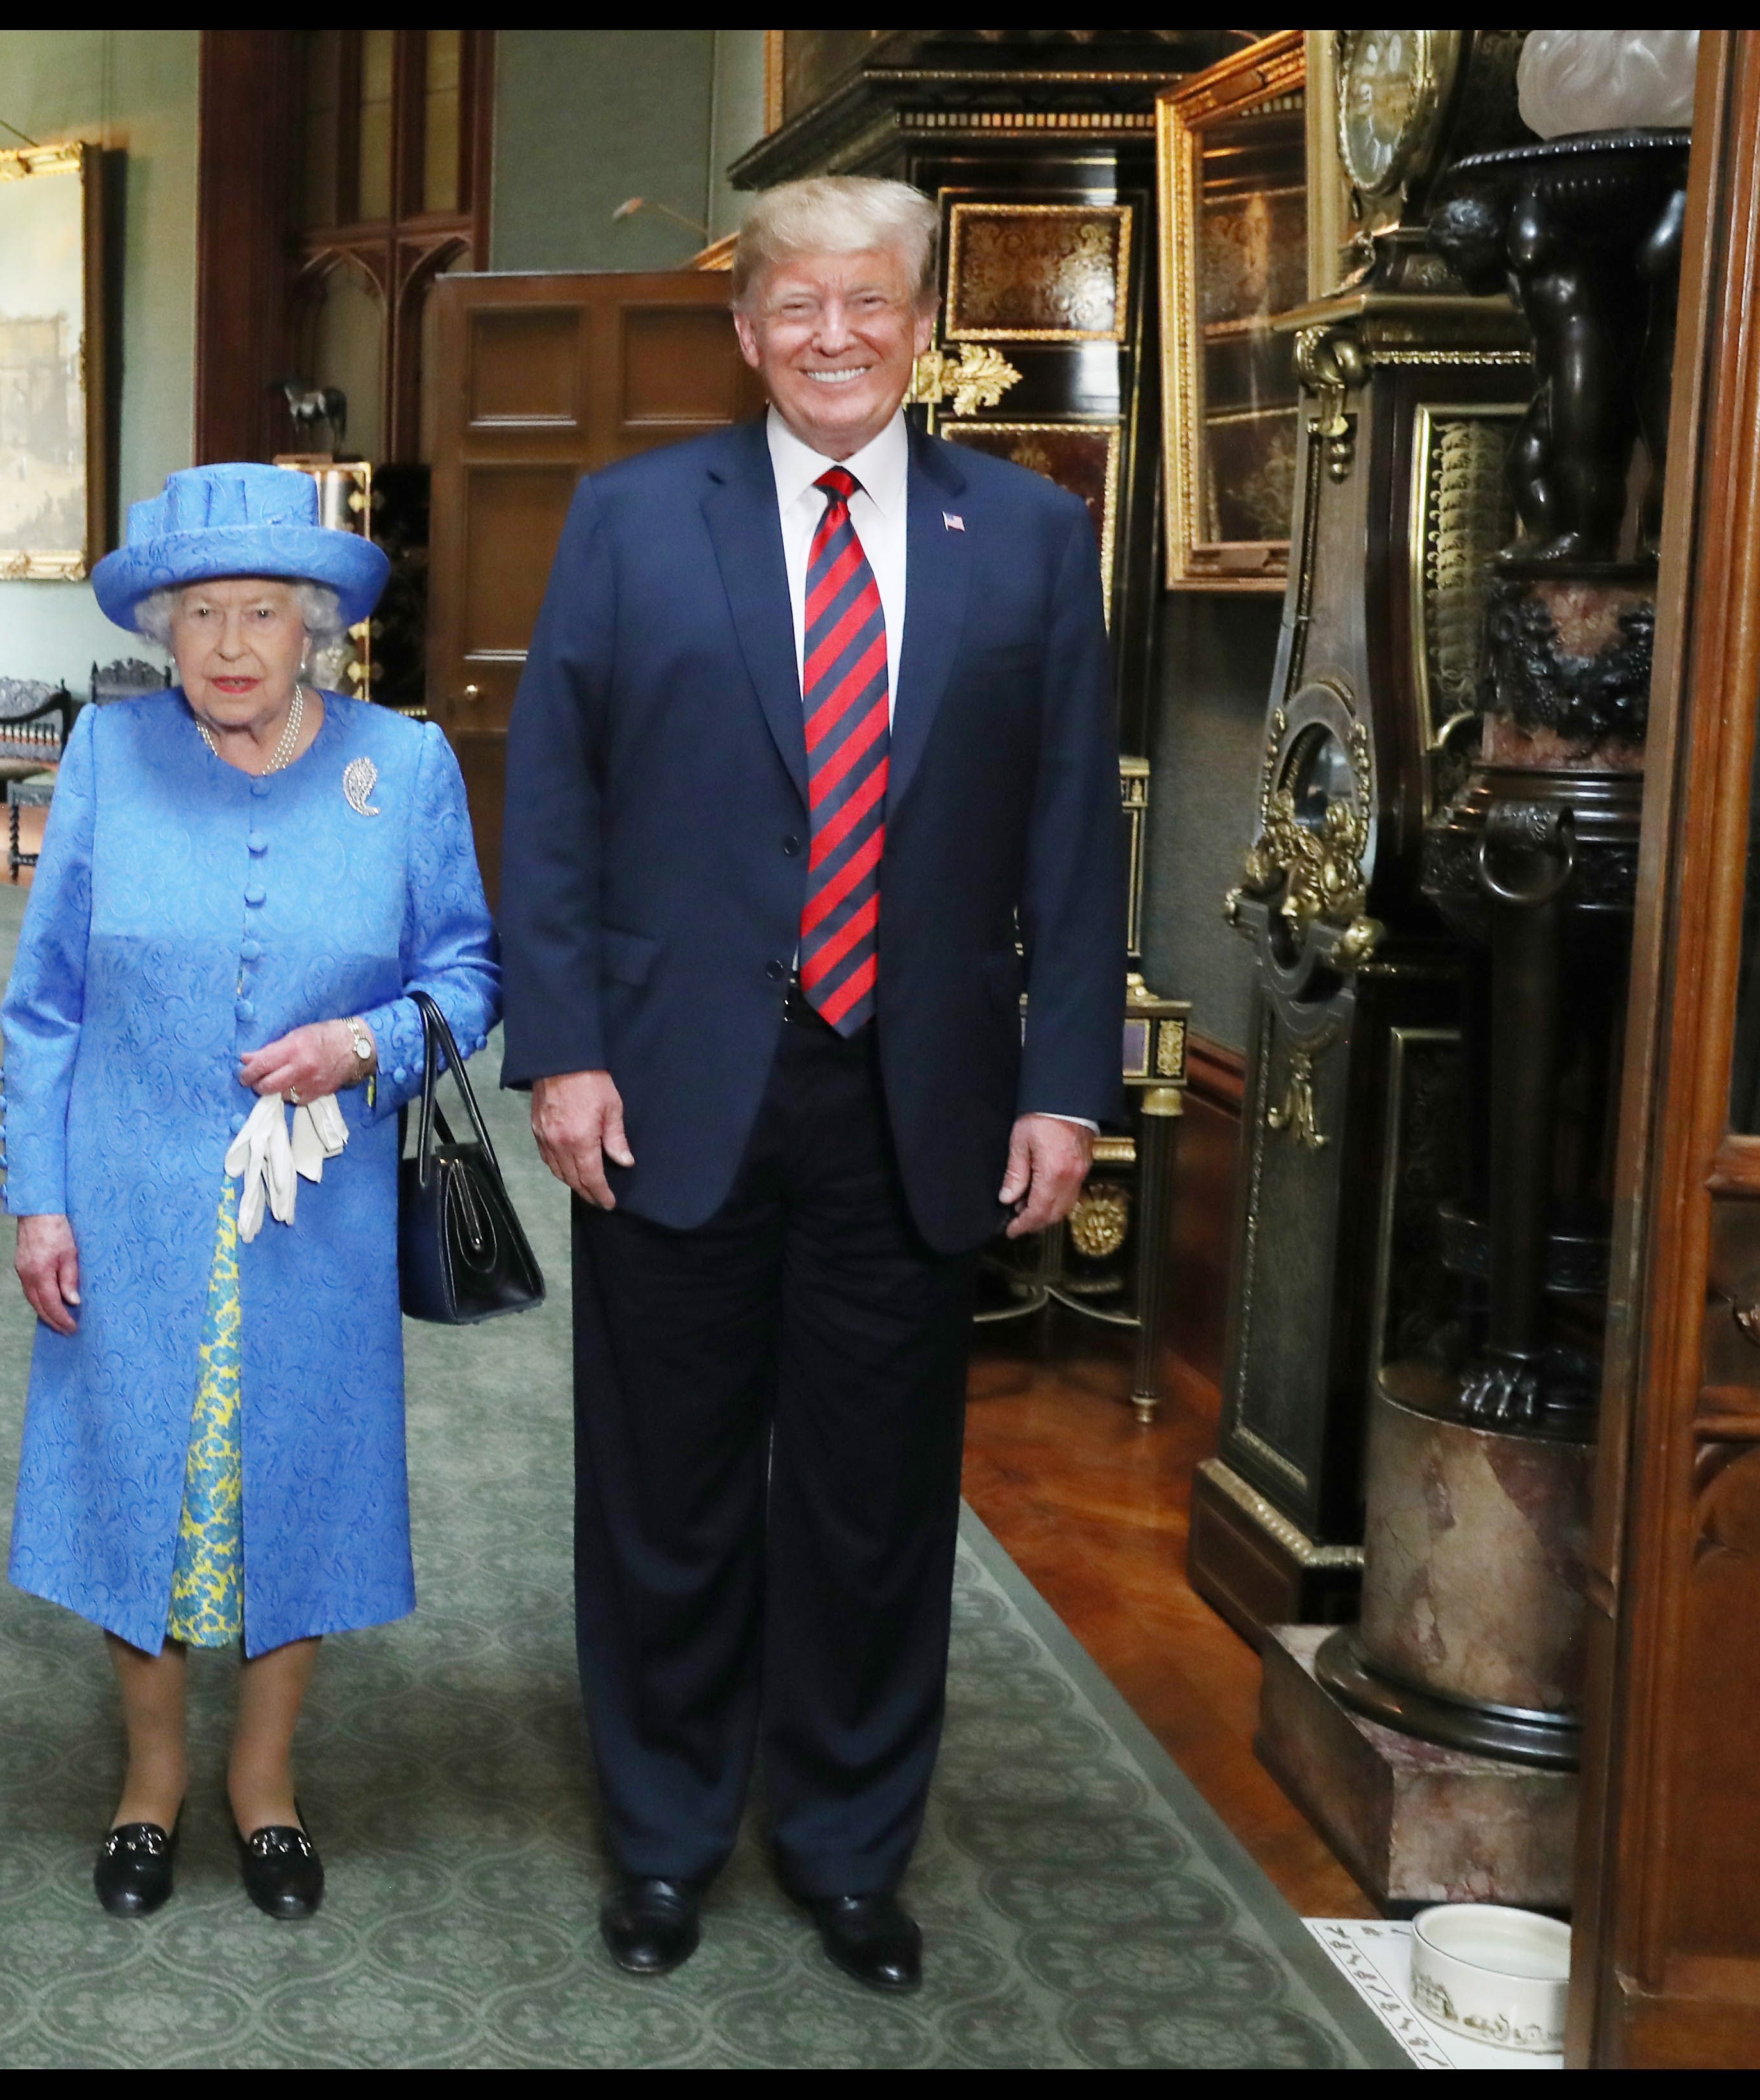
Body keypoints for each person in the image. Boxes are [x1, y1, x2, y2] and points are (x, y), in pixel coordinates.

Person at [498, 175, 1123, 1990]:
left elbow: (1069, 833)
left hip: (918, 1093)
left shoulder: (1023, 538)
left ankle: (849, 1842)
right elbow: (554, 812)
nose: (830, 335)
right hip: (672, 1083)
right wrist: (563, 1053)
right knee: (664, 1488)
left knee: (870, 1495)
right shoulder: (626, 522)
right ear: (744, 327)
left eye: (867, 303)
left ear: (922, 324)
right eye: (793, 304)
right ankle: (667, 1833)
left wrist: (1062, 1083)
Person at [0, 463, 500, 1922]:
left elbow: (470, 977)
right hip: (130, 1193)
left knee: (303, 1484)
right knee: (132, 1484)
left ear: (316, 627)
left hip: (319, 1213)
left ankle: (263, 1784)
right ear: (164, 624)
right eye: (202, 611)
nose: (229, 642)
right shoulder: (105, 753)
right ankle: (150, 1780)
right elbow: (43, 1003)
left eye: (262, 612)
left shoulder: (402, 767)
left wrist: (367, 1042)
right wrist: (43, 1195)